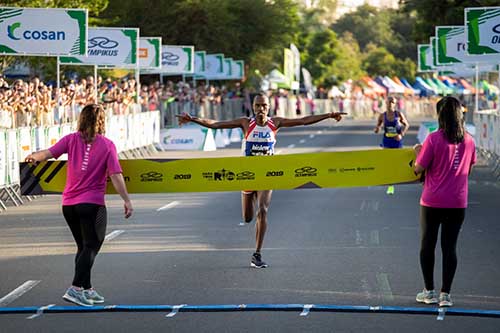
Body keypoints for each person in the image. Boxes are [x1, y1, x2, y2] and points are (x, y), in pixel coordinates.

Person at [176, 93, 345, 268]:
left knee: (262, 211)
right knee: (248, 217)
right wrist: (193, 119)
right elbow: (217, 125)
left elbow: (303, 120)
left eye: (264, 106)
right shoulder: (245, 123)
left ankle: (257, 254)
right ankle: (249, 202)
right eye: (257, 106)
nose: (261, 109)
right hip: (248, 174)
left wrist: (329, 115)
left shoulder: (275, 123)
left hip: (267, 174)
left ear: (269, 107)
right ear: (253, 107)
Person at [25, 103, 133, 307]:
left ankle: (87, 289)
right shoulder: (107, 144)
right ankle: (75, 288)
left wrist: (33, 156)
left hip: (69, 205)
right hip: (92, 204)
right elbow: (116, 175)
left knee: (83, 247)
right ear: (102, 121)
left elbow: (48, 153)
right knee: (92, 245)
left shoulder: (71, 139)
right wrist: (126, 199)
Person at [413, 96, 476, 307]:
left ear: (441, 115)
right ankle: (445, 295)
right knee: (450, 248)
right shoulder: (469, 140)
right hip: (458, 202)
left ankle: (428, 291)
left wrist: (417, 153)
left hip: (432, 201)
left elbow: (418, 169)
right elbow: (469, 169)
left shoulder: (433, 139)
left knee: (427, 245)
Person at [374, 96, 410, 195]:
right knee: (387, 161)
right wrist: (376, 129)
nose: (390, 104)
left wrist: (401, 134)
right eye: (389, 102)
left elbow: (407, 125)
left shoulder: (398, 114)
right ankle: (390, 185)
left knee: (396, 162)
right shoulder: (382, 116)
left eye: (392, 102)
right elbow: (377, 127)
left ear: (395, 104)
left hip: (396, 141)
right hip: (386, 141)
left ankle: (396, 179)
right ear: (385, 103)